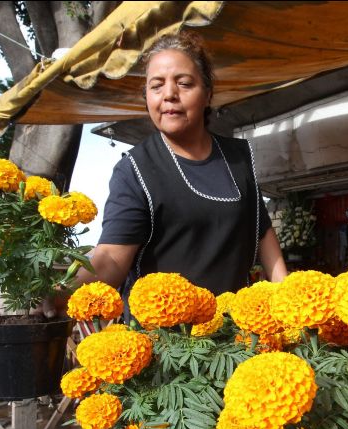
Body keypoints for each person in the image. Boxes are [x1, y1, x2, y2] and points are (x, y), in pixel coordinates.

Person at [52, 31, 287, 319]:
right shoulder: (135, 170)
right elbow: (111, 257)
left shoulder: (237, 158)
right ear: (147, 97)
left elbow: (263, 235)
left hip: (232, 340)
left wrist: (286, 302)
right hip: (165, 346)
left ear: (208, 93)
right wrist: (61, 290)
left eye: (184, 83)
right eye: (156, 86)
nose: (169, 95)